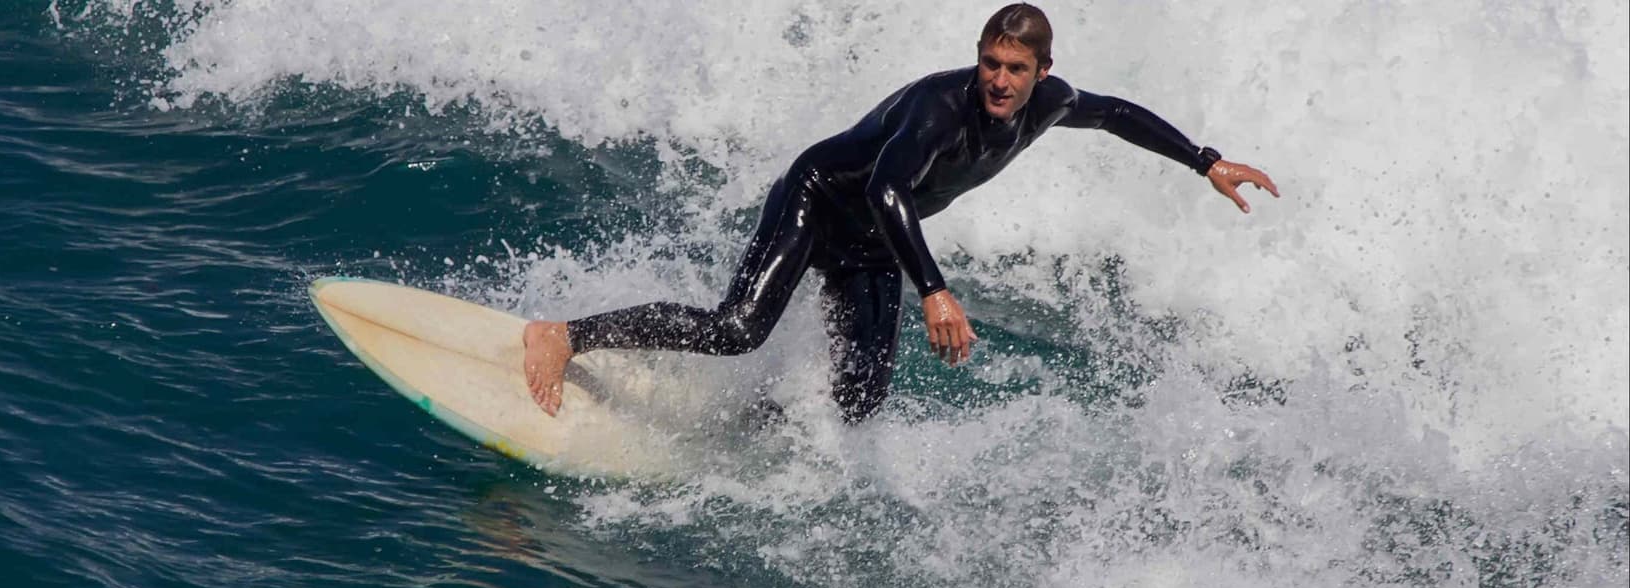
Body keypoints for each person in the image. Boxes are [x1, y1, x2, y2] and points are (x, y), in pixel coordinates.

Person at [521, 3, 1278, 423]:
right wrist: (935, 289)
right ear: (977, 58)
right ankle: (565, 336)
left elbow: (1114, 113)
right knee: (738, 329)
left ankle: (759, 431)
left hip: (874, 242)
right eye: (991, 63)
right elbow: (887, 186)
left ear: (1042, 72)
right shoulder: (937, 110)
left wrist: (1205, 160)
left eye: (1016, 69)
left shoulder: (1051, 102)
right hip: (821, 201)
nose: (1001, 80)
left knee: (859, 397)